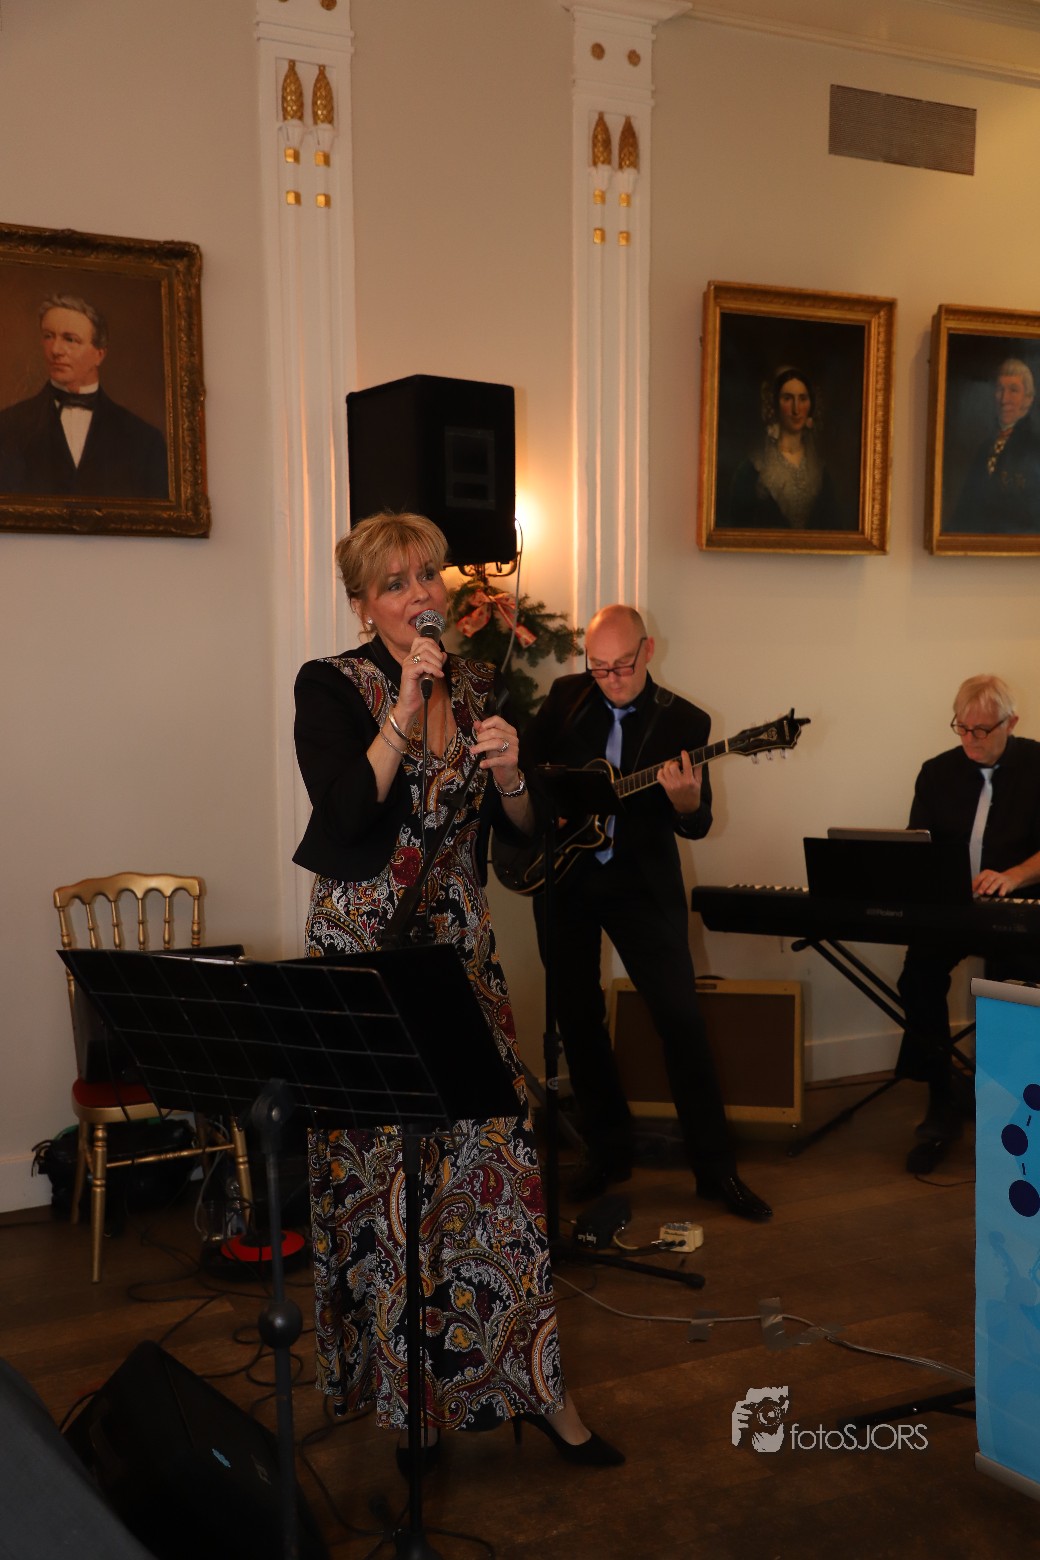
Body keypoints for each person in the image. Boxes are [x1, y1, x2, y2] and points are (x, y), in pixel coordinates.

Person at [293, 512, 622, 1471]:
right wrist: (403, 707)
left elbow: (521, 838)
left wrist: (515, 779)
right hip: (367, 953)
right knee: (385, 1180)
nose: (420, 595)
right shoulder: (330, 685)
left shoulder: (479, 687)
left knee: (493, 1174)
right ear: (364, 605)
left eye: (428, 576)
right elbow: (344, 812)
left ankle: (539, 1388)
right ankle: (412, 1404)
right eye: (395, 583)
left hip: (462, 955)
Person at [520, 604, 772, 1221]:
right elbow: (527, 770)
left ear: (648, 650)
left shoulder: (685, 720)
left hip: (641, 887)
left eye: (622, 666)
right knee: (578, 1018)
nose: (611, 679)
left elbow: (699, 823)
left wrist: (685, 804)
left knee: (680, 1021)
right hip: (565, 880)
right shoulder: (566, 698)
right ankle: (607, 1152)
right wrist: (548, 805)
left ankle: (716, 1170)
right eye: (599, 667)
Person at [897, 675, 1040, 1174]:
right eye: (962, 728)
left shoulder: (1037, 764)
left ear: (1010, 723)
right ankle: (943, 1095)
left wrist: (1015, 875)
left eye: (983, 730)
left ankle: (1013, 1104)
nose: (971, 740)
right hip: (953, 906)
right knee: (917, 976)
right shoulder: (936, 772)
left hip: (1021, 906)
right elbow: (918, 844)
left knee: (1013, 983)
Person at [0, 294, 168, 499]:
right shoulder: (7, 426)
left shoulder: (144, 440)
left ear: (99, 354)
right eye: (48, 336)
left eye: (70, 339)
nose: (55, 350)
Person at [724, 366, 843, 530]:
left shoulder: (822, 473)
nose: (796, 409)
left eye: (803, 399)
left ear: (811, 405)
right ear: (775, 404)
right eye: (787, 398)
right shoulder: (752, 470)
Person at [946, 358, 1040, 535]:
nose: (1004, 399)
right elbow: (964, 511)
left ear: (1028, 399)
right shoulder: (985, 448)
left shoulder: (1035, 449)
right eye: (1000, 389)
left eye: (1013, 390)